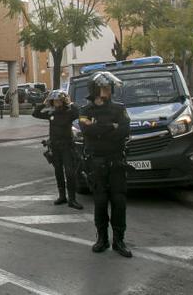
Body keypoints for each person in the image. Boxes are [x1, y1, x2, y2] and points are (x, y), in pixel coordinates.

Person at [78, 71, 132, 258]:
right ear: (94, 89)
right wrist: (110, 127)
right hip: (96, 162)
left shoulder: (119, 108)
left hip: (116, 161)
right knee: (100, 202)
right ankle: (102, 239)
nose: (107, 91)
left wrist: (100, 128)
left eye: (109, 88)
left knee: (119, 201)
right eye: (103, 88)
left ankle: (119, 240)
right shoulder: (85, 111)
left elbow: (124, 130)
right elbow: (87, 130)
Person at [32, 90, 83, 210]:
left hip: (67, 147)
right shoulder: (51, 113)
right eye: (55, 100)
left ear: (63, 101)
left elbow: (78, 112)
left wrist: (70, 103)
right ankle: (62, 196)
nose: (57, 102)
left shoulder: (69, 112)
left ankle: (72, 199)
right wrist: (44, 103)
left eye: (59, 100)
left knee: (70, 172)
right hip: (55, 147)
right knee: (58, 172)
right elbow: (35, 113)